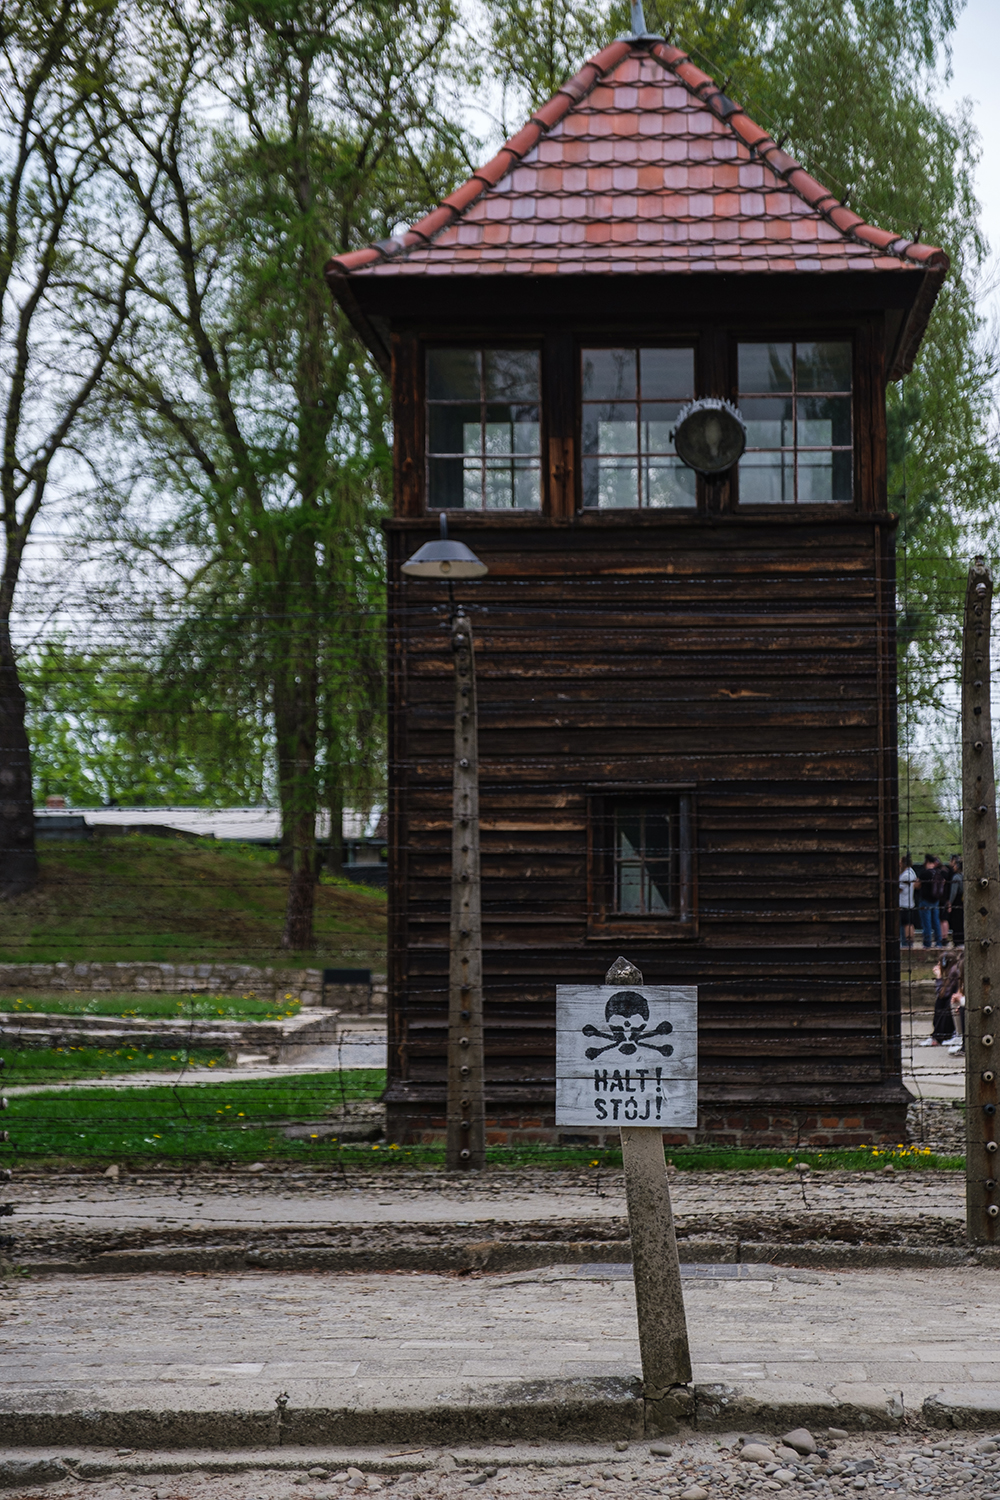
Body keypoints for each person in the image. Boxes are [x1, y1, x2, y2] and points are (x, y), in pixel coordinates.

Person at [916, 853, 943, 949]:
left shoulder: (924, 873)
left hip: (925, 900)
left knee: (926, 923)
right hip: (935, 900)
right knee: (936, 922)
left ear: (926, 862)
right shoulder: (938, 873)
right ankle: (939, 942)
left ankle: (927, 943)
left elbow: (917, 885)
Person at [899, 854, 918, 947]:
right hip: (910, 901)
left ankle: (907, 942)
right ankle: (909, 941)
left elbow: (899, 889)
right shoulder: (912, 872)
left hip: (904, 902)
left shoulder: (905, 875)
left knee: (906, 924)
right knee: (909, 923)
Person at [948, 855, 964, 947]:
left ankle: (957, 941)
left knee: (956, 922)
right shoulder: (963, 876)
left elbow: (953, 892)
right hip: (962, 901)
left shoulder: (956, 878)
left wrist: (950, 902)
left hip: (956, 902)